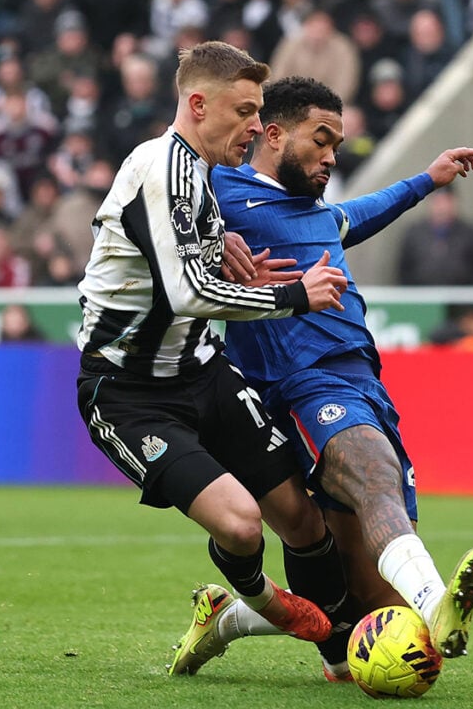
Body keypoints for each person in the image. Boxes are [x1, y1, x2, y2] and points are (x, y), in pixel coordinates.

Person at [169, 76, 473, 681]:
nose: (331, 157)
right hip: (301, 382)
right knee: (374, 473)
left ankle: (226, 619)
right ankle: (438, 604)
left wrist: (428, 179)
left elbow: (357, 215)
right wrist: (218, 240)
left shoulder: (317, 212)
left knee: (372, 608)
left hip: (364, 381)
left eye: (337, 147)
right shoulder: (219, 191)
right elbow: (155, 222)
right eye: (320, 141)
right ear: (273, 134)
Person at [74, 43, 354, 675]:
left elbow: (168, 256)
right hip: (129, 393)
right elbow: (186, 293)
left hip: (202, 371)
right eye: (245, 111)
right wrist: (294, 295)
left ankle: (342, 658)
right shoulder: (161, 168)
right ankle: (255, 601)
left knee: (301, 517)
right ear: (199, 105)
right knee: (242, 525)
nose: (256, 126)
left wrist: (216, 239)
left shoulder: (198, 174)